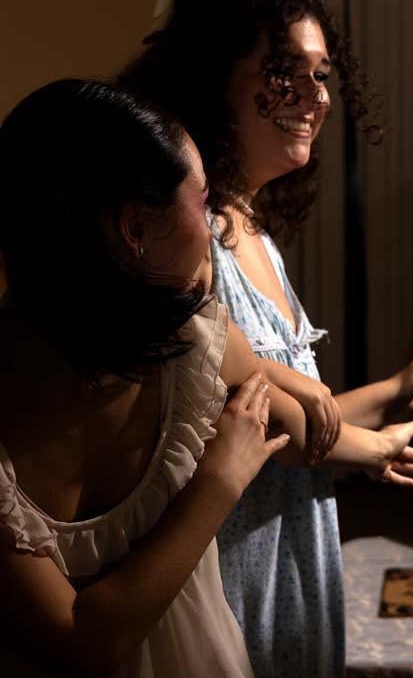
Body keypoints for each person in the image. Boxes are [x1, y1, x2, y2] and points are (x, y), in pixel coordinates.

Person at [119, 0, 413, 678]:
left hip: (289, 552)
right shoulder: (190, 243)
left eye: (323, 75)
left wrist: (400, 385)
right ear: (213, 75)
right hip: (234, 566)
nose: (317, 96)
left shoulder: (255, 232)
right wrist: (375, 446)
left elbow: (303, 408)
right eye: (285, 72)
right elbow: (272, 427)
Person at [0, 79, 294, 676]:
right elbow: (84, 643)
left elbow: (303, 421)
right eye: (203, 203)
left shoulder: (197, 344)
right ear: (135, 229)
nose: (212, 229)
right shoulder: (197, 346)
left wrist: (311, 388)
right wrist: (219, 481)